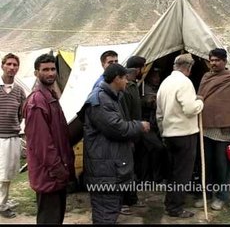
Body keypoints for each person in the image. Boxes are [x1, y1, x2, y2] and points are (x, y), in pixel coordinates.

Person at [78, 63, 150, 224]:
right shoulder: (100, 100)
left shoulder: (110, 97)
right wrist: (139, 126)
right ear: (117, 78)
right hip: (105, 171)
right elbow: (117, 128)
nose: (127, 82)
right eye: (125, 78)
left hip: (110, 168)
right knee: (106, 213)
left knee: (110, 210)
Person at [23, 54, 75, 224]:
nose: (50, 73)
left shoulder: (50, 96)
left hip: (56, 173)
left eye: (53, 69)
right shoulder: (37, 101)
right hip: (49, 175)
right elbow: (42, 145)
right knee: (49, 219)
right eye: (45, 69)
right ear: (36, 73)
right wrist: (59, 171)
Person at [195, 48, 230, 210]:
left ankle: (222, 196)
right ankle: (206, 194)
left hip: (224, 132)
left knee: (222, 165)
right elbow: (199, 99)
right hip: (205, 129)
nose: (213, 63)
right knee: (206, 164)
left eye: (217, 60)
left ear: (225, 61)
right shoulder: (206, 77)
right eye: (211, 60)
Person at [156, 53, 204, 218]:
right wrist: (200, 102)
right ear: (188, 68)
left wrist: (164, 132)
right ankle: (175, 208)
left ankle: (170, 203)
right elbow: (190, 109)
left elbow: (159, 114)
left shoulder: (164, 84)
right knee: (182, 174)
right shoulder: (185, 83)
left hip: (170, 134)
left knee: (174, 172)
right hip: (185, 134)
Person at [0, 53, 26, 219]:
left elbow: (21, 114)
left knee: (7, 174)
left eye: (15, 65)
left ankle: (3, 203)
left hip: (12, 137)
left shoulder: (19, 91)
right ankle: (2, 205)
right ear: (2, 65)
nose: (12, 68)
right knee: (1, 173)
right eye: (9, 64)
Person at [120, 55, 146, 214]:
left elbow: (135, 105)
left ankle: (132, 199)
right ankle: (123, 202)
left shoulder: (133, 86)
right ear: (137, 69)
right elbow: (125, 114)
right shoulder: (126, 87)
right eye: (142, 68)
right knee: (125, 170)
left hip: (135, 133)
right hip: (128, 134)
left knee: (133, 168)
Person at [140, 66, 167, 183]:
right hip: (145, 125)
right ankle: (155, 178)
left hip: (154, 125)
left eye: (158, 76)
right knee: (158, 148)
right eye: (154, 76)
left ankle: (150, 178)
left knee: (150, 151)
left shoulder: (158, 88)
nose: (157, 78)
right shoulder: (143, 89)